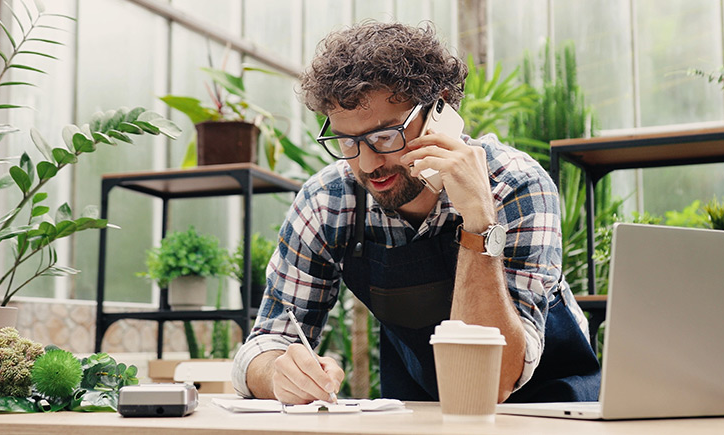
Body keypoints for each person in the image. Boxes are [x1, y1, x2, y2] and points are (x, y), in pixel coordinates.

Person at [231, 21, 600, 404]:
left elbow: (492, 384)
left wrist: (478, 222)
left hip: (550, 411)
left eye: (386, 136)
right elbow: (267, 341)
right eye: (347, 140)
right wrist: (279, 374)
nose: (369, 162)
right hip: (422, 410)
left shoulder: (515, 186)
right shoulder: (329, 201)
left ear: (440, 107)